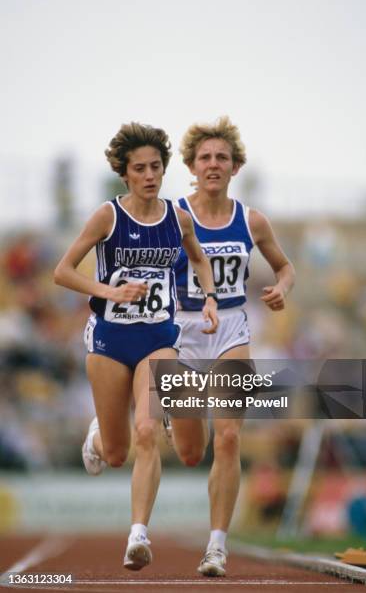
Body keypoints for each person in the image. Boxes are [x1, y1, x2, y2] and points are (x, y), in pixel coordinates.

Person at [53, 121, 218, 571]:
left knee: (148, 431)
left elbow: (200, 259)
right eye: (140, 169)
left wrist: (207, 297)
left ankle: (138, 535)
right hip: (109, 339)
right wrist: (109, 292)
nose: (150, 176)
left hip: (158, 339)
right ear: (124, 174)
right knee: (116, 452)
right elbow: (62, 271)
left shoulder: (178, 219)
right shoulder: (108, 216)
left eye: (156, 167)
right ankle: (98, 434)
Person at [171, 116, 295, 577]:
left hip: (231, 329)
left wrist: (283, 286)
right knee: (189, 451)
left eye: (222, 157)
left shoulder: (251, 220)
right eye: (205, 157)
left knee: (228, 436)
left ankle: (217, 546)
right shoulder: (174, 216)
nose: (213, 164)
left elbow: (286, 267)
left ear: (236, 166)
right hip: (180, 331)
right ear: (190, 165)